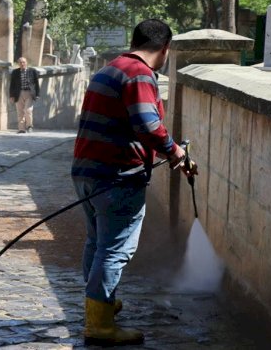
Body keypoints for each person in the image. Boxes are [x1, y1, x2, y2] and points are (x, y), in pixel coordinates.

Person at [71, 19, 194, 346]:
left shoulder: (110, 69)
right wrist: (174, 150)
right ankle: (98, 324)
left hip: (86, 172)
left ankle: (100, 305)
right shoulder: (139, 75)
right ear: (165, 49)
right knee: (114, 249)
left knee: (97, 243)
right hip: (116, 177)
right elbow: (147, 125)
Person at [9, 57, 40, 133]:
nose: (22, 64)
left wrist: (37, 94)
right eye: (20, 62)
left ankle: (29, 126)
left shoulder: (32, 71)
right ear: (18, 64)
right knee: (20, 112)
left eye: (23, 62)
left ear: (26, 63)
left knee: (28, 110)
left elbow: (36, 83)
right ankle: (21, 129)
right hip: (18, 93)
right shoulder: (15, 72)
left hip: (29, 93)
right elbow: (12, 84)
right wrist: (11, 95)